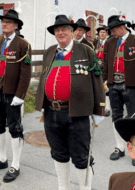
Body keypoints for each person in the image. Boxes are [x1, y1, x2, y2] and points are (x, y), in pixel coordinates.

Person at [35, 15, 106, 190]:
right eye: (57, 30)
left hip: (77, 112)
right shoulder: (50, 51)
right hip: (51, 112)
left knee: (81, 156)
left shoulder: (85, 51)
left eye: (64, 29)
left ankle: (84, 187)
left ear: (72, 31)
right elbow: (44, 77)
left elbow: (96, 79)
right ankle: (63, 187)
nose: (60, 33)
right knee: (58, 153)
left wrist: (99, 110)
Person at [0, 9, 32, 183]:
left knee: (14, 128)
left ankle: (16, 164)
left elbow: (26, 73)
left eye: (8, 22)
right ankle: (2, 159)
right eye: (3, 21)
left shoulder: (23, 45)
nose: (4, 24)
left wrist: (20, 95)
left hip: (12, 93)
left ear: (16, 26)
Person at [103, 15, 135, 166]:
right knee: (116, 116)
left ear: (121, 28)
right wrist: (105, 81)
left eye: (113, 30)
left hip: (130, 85)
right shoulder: (110, 43)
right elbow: (106, 63)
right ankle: (119, 147)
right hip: (113, 84)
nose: (111, 33)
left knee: (133, 118)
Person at [93, 25, 111, 116]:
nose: (102, 34)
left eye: (104, 32)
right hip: (96, 67)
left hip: (106, 67)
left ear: (107, 34)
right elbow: (89, 52)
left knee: (106, 88)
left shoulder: (109, 42)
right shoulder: (95, 42)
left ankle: (107, 108)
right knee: (98, 88)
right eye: (101, 32)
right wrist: (94, 52)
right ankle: (99, 107)